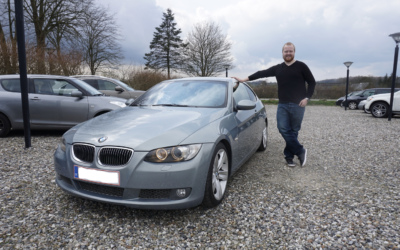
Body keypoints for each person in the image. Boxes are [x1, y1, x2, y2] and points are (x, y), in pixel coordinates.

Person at [232, 42, 316, 167]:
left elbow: (312, 82)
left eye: (290, 51)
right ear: (282, 53)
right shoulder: (278, 68)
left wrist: (307, 98)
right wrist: (244, 79)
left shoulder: (301, 66)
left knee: (293, 131)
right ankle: (300, 151)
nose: (288, 53)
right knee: (282, 128)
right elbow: (261, 73)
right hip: (283, 105)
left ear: (294, 52)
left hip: (298, 105)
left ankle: (289, 157)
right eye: (286, 51)